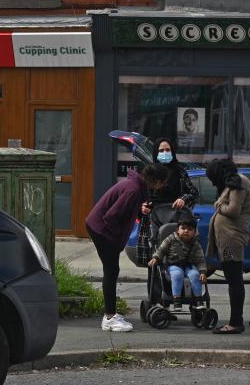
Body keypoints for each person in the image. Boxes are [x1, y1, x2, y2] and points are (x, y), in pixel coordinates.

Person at [85, 162, 170, 332]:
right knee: (111, 271)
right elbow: (112, 216)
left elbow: (123, 208)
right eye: (164, 182)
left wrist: (139, 210)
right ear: (156, 181)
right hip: (102, 229)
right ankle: (109, 317)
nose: (164, 185)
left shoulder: (136, 186)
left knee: (111, 271)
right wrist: (117, 239)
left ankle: (110, 315)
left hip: (98, 226)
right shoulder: (134, 189)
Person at [205, 158, 250, 334]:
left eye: (212, 177)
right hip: (228, 237)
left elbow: (233, 210)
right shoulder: (233, 182)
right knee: (233, 279)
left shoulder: (237, 183)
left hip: (232, 237)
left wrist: (219, 206)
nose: (212, 182)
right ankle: (236, 321)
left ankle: (235, 322)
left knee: (234, 279)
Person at [148, 215, 206, 307]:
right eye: (183, 228)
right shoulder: (171, 239)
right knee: (177, 274)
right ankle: (176, 299)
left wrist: (202, 272)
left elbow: (200, 259)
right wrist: (156, 258)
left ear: (194, 232)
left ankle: (198, 299)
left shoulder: (195, 243)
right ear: (178, 230)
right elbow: (161, 250)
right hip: (174, 265)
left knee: (195, 275)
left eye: (190, 229)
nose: (186, 231)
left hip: (189, 265)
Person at [149, 138, 199, 212]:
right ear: (156, 152)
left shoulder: (180, 171)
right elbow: (143, 197)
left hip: (176, 216)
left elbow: (194, 192)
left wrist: (183, 199)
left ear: (172, 151)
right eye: (161, 151)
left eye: (167, 150)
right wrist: (143, 206)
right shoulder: (150, 172)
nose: (165, 153)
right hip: (154, 218)